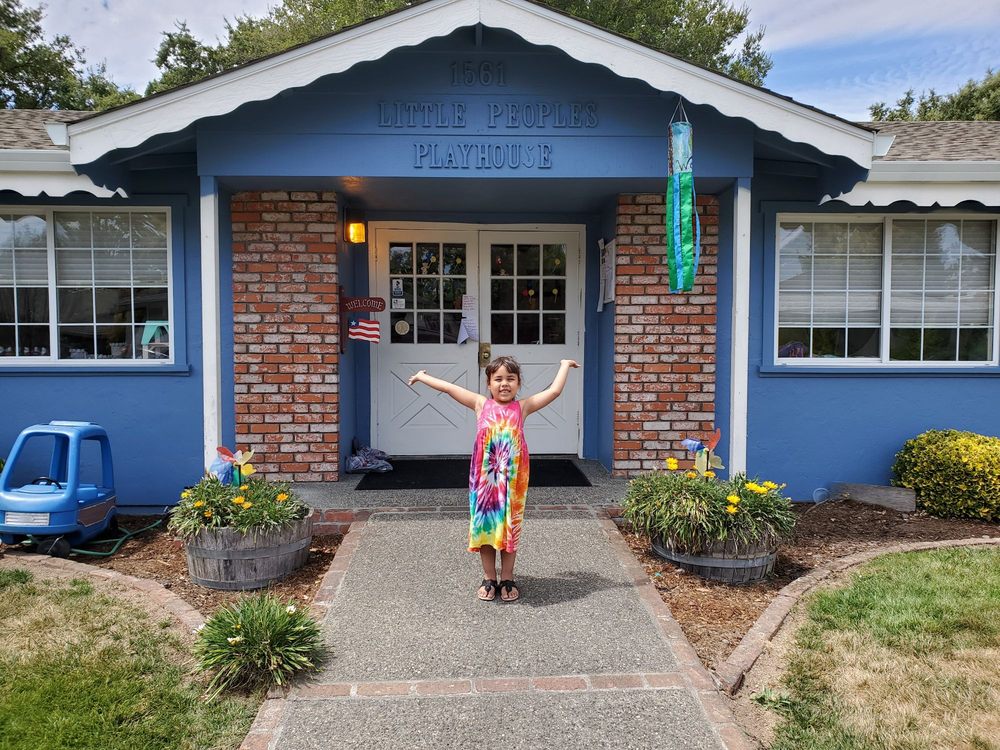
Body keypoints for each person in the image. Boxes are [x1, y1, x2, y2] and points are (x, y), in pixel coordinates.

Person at [408, 356, 579, 602]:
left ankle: (507, 577)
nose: (504, 384)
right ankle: (489, 577)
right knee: (485, 529)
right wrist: (422, 377)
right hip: (485, 483)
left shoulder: (522, 407)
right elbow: (449, 388)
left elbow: (553, 392)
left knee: (510, 527)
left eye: (511, 379)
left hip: (512, 483)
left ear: (518, 383)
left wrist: (564, 365)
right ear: (489, 384)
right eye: (498, 379)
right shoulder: (481, 404)